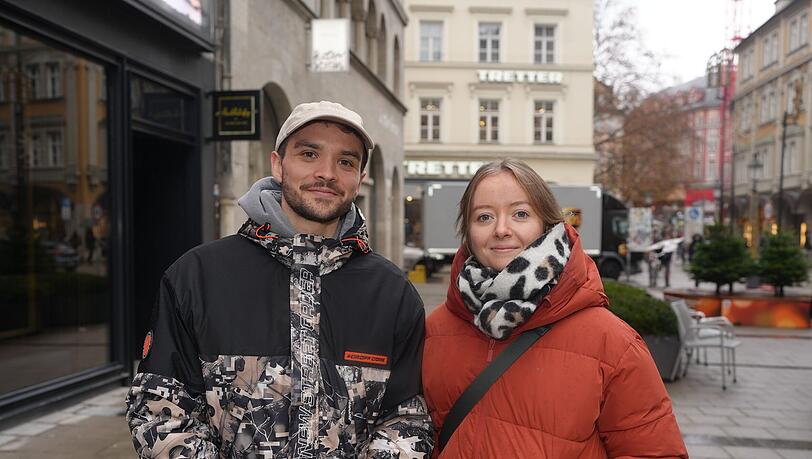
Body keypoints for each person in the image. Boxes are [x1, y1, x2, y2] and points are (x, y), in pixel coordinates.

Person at [125, 101, 433, 458]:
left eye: (345, 161)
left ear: (359, 179)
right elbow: (160, 413)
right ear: (278, 164)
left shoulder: (392, 293)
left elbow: (407, 419)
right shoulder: (196, 277)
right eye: (309, 154)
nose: (327, 173)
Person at [422, 159, 686, 458]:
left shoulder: (611, 341)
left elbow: (654, 451)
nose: (501, 229)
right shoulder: (435, 330)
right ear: (467, 231)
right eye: (483, 217)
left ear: (547, 225)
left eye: (520, 214)